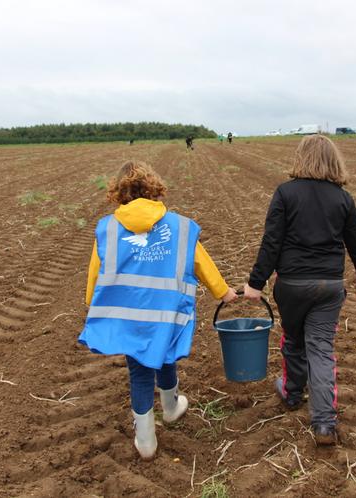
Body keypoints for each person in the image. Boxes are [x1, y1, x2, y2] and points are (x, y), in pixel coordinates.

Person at [78, 160, 237, 460]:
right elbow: (201, 261)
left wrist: (91, 304)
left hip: (128, 317)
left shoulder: (109, 228)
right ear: (154, 188)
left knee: (139, 373)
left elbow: (95, 272)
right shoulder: (179, 225)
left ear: (118, 192)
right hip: (167, 314)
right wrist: (223, 292)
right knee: (164, 355)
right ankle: (171, 408)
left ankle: (146, 442)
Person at [243, 135, 356, 446]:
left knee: (294, 340)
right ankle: (325, 424)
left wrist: (255, 284)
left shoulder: (286, 193)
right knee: (321, 349)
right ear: (334, 162)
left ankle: (291, 393)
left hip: (292, 284)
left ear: (300, 159)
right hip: (329, 285)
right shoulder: (344, 199)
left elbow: (271, 243)